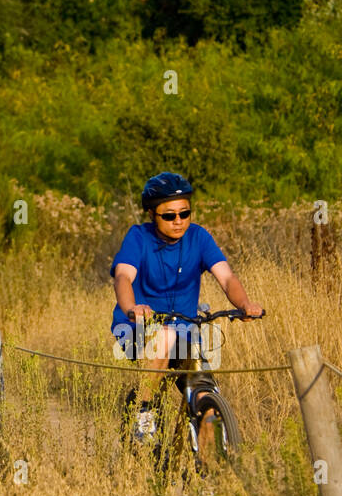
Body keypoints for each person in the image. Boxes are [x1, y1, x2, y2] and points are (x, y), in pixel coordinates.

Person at [109, 172, 263, 448]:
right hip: (138, 328)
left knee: (207, 401)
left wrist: (244, 305)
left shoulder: (199, 237)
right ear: (152, 214)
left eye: (185, 213)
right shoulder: (138, 237)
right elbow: (123, 277)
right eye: (169, 216)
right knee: (166, 336)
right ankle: (144, 411)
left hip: (185, 332)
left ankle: (209, 477)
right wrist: (132, 308)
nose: (178, 221)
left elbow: (227, 277)